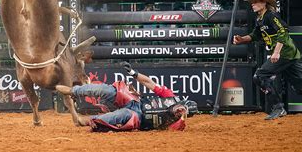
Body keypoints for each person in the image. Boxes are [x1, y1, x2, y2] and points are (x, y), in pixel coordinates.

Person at [233, 0, 302, 120]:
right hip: (291, 54)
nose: (253, 5)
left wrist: (276, 52)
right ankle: (280, 107)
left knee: (259, 76)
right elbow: (255, 35)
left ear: (264, 3)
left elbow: (283, 30)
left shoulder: (271, 16)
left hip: (284, 52)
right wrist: (241, 40)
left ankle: (278, 108)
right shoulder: (260, 18)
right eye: (253, 2)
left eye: (255, 2)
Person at [56, 61, 197, 132]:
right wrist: (134, 73)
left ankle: (86, 121)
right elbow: (149, 82)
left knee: (119, 116)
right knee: (109, 90)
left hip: (138, 117)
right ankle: (74, 90)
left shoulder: (178, 124)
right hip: (136, 102)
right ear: (181, 101)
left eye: (183, 112)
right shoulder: (170, 96)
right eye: (182, 107)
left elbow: (174, 129)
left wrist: (182, 117)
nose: (180, 110)